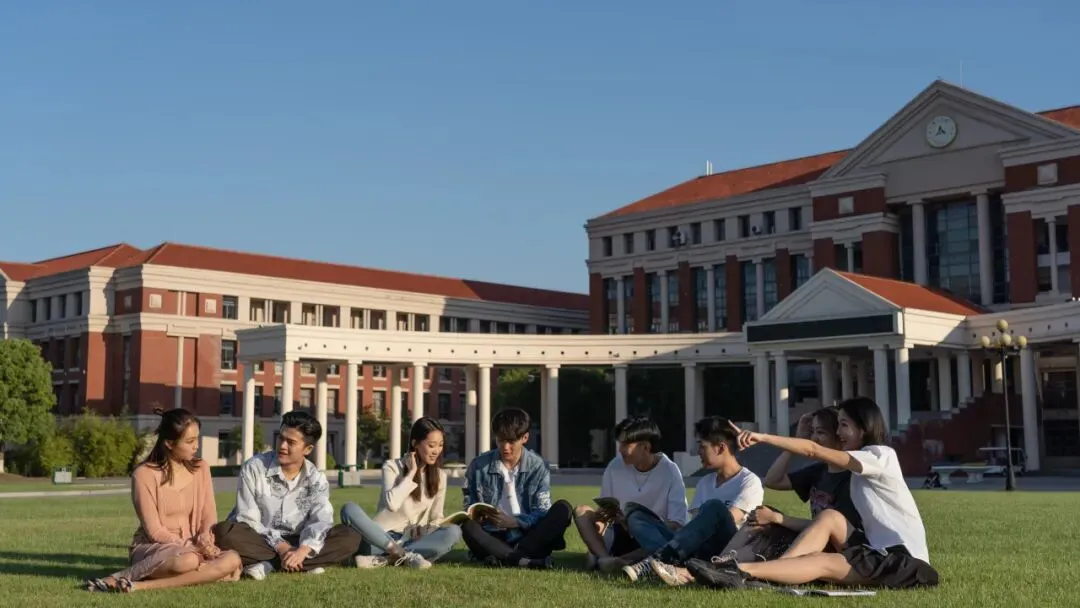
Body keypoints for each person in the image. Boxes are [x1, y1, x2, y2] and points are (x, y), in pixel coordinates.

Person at [686, 397, 940, 590]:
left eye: (844, 425)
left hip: (905, 562)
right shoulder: (848, 471)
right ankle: (745, 570)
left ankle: (740, 571)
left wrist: (763, 437)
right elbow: (777, 478)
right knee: (830, 517)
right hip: (871, 551)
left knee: (822, 562)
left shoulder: (881, 456)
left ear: (864, 429)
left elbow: (812, 450)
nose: (838, 433)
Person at [650, 407, 862, 586]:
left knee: (763, 519)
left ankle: (702, 569)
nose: (814, 439)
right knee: (761, 519)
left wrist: (778, 518)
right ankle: (715, 567)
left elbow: (830, 527)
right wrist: (795, 443)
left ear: (839, 438)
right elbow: (773, 480)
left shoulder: (853, 480)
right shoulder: (819, 471)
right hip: (804, 541)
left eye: (821, 432)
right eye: (812, 432)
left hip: (831, 550)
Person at [84, 408, 242, 593]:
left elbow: (209, 516)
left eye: (197, 439)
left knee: (233, 559)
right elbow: (155, 531)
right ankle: (122, 577)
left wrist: (205, 538)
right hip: (156, 548)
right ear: (169, 443)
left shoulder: (202, 469)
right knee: (188, 560)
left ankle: (139, 585)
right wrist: (191, 547)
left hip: (194, 547)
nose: (196, 446)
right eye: (189, 441)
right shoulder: (143, 475)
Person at [213, 411, 363, 580]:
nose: (282, 446)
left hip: (299, 539)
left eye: (290, 442)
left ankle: (270, 564)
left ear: (307, 449)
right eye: (281, 438)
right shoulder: (254, 467)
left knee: (350, 537)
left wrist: (303, 550)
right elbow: (248, 518)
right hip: (259, 539)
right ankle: (304, 564)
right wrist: (282, 547)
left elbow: (321, 520)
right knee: (224, 532)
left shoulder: (316, 479)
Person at [618, 416, 764, 582]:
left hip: (724, 550)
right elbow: (694, 527)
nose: (698, 452)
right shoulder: (705, 483)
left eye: (702, 446)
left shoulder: (749, 481)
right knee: (636, 514)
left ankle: (658, 561)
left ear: (720, 448)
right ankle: (675, 565)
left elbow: (729, 520)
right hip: (693, 547)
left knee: (714, 508)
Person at [341, 417, 463, 568]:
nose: (436, 451)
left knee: (454, 532)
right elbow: (392, 504)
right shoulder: (392, 467)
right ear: (415, 443)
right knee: (348, 508)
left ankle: (387, 560)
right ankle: (401, 554)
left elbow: (436, 517)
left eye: (440, 445)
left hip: (413, 541)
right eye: (431, 445)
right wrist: (411, 474)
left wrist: (427, 529)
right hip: (380, 539)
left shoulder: (440, 476)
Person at [459, 407, 573, 569]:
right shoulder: (478, 465)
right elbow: (469, 506)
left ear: (525, 437)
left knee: (563, 508)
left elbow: (542, 510)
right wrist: (479, 516)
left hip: (529, 536)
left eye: (511, 442)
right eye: (500, 440)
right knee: (468, 525)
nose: (505, 447)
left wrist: (516, 522)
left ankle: (504, 557)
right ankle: (523, 560)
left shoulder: (538, 466)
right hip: (493, 534)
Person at [573, 417, 688, 572]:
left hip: (649, 538)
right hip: (618, 531)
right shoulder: (615, 466)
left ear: (645, 447)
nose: (620, 450)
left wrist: (634, 525)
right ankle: (605, 558)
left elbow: (676, 524)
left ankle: (611, 559)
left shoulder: (670, 471)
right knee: (581, 512)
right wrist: (605, 515)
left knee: (660, 538)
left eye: (625, 444)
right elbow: (605, 517)